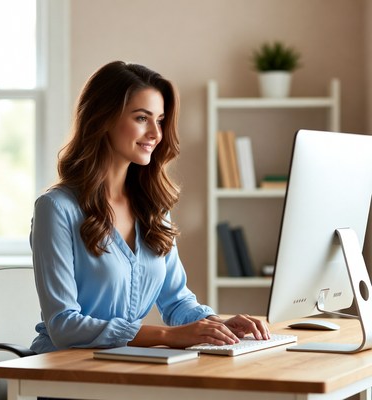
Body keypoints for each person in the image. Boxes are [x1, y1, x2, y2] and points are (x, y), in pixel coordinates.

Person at [30, 60, 270, 354]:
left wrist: (215, 325)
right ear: (103, 119)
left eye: (159, 120)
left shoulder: (153, 208)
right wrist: (169, 336)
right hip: (64, 371)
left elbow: (177, 300)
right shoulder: (56, 208)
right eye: (142, 118)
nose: (156, 134)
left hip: (125, 365)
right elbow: (64, 325)